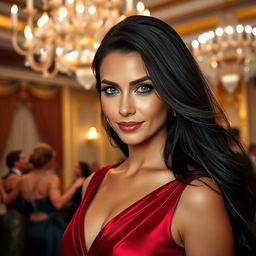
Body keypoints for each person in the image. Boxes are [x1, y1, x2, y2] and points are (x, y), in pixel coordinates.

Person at [62, 15, 256, 256]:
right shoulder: (93, 182)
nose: (124, 108)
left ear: (172, 94)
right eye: (110, 90)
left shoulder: (197, 196)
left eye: (143, 88)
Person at [2, 143, 84, 256]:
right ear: (48, 161)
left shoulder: (22, 180)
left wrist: (1, 186)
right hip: (47, 229)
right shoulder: (51, 179)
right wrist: (75, 185)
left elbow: (7, 200)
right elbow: (58, 204)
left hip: (30, 229)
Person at [0, 150, 28, 256]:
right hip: (16, 218)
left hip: (10, 216)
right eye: (23, 158)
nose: (26, 161)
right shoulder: (16, 178)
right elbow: (6, 200)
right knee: (15, 248)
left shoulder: (7, 177)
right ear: (16, 163)